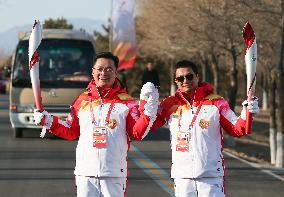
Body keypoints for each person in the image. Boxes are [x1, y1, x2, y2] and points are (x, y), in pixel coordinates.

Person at [33, 51, 159, 197]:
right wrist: (48, 120)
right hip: (85, 173)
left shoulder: (127, 102)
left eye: (109, 69)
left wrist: (148, 114)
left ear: (116, 72)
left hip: (114, 174)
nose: (103, 73)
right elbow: (71, 131)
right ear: (93, 72)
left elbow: (136, 133)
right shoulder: (82, 100)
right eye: (99, 69)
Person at [150, 60, 259, 197]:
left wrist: (247, 113)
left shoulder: (216, 102)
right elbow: (147, 126)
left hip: (211, 177)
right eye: (180, 78)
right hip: (183, 178)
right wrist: (146, 105)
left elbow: (237, 129)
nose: (185, 81)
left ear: (197, 76)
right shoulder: (170, 104)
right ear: (175, 81)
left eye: (189, 76)